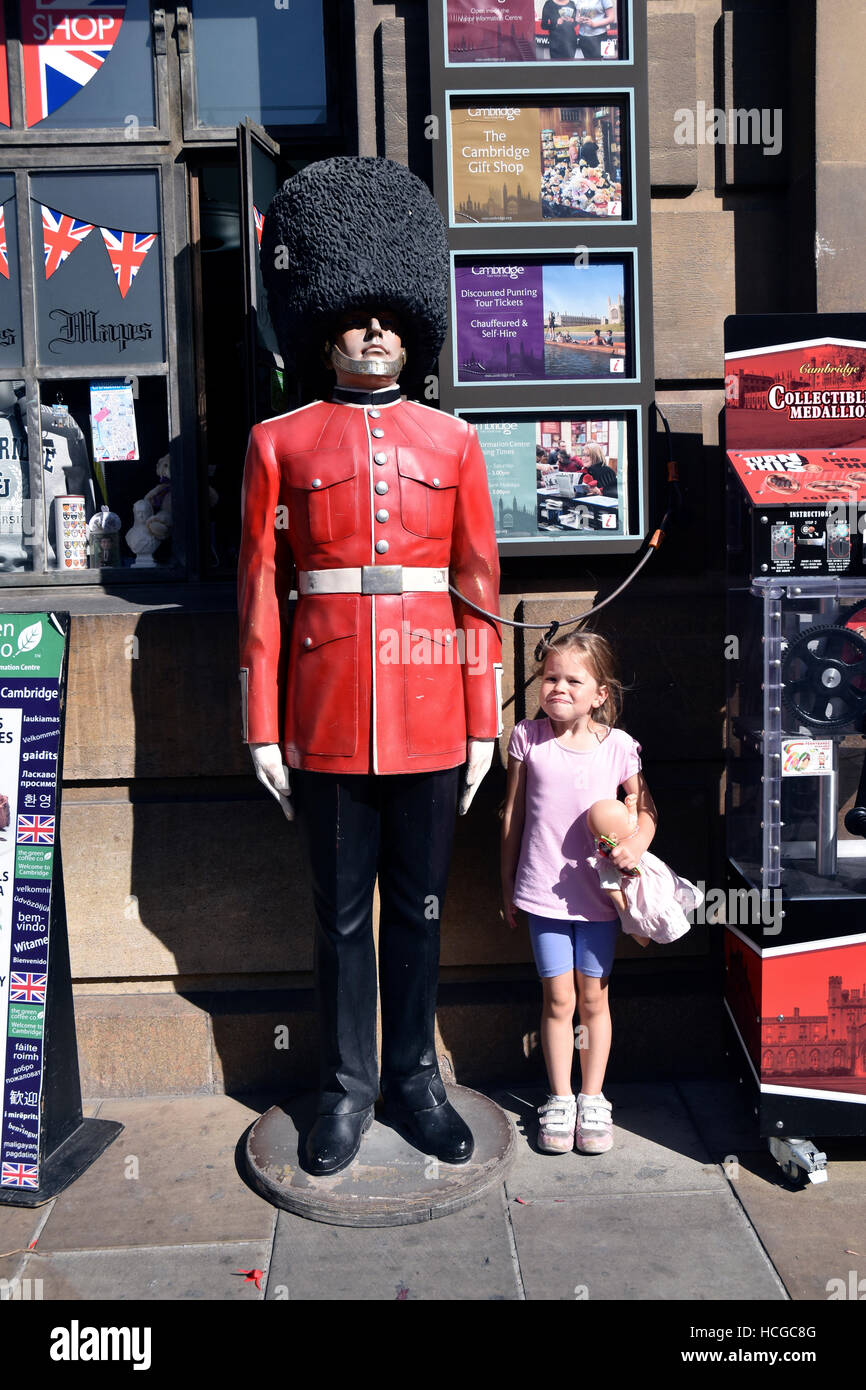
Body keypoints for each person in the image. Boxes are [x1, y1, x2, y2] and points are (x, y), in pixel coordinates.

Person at [240, 157, 502, 1178]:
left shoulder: (453, 441)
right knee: (341, 920)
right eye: (355, 315)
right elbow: (260, 592)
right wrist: (262, 722)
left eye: (391, 315)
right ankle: (343, 1089)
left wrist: (482, 720)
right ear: (324, 326)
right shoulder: (278, 441)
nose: (375, 331)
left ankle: (415, 1080)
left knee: (422, 913)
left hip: (434, 706)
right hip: (328, 710)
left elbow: (474, 592)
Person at [500, 631, 657, 1154]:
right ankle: (560, 1096)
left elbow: (646, 811)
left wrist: (635, 845)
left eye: (573, 680)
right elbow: (512, 815)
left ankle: (593, 1097)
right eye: (550, 678)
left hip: (600, 901)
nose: (558, 688)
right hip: (543, 895)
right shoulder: (527, 737)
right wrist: (507, 885)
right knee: (558, 998)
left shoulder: (619, 748)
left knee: (594, 998)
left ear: (600, 693)